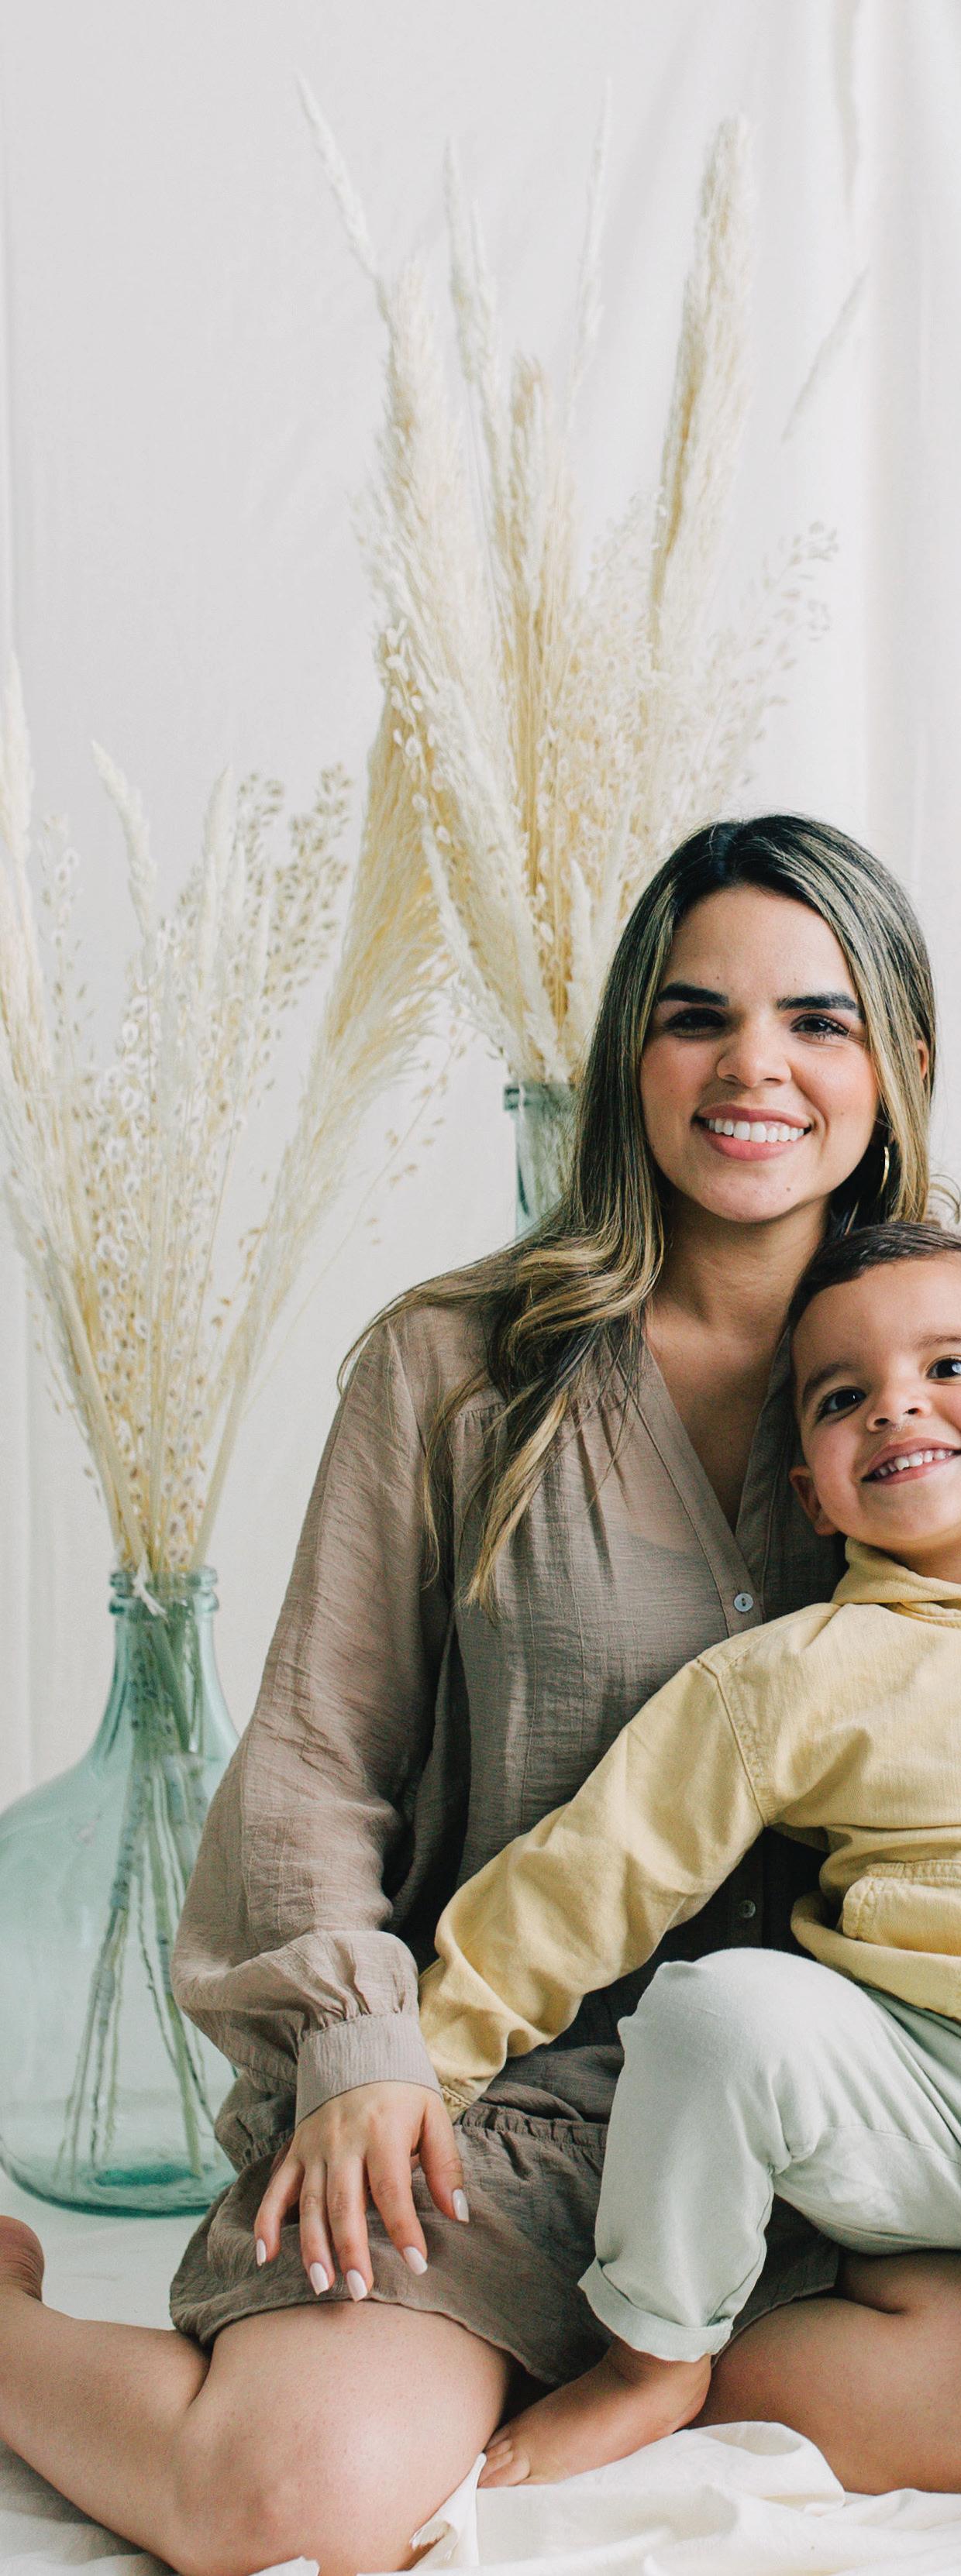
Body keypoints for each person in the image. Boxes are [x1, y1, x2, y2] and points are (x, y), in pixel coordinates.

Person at [0, 817, 949, 2576]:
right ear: (627, 1060)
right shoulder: (454, 1369)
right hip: (503, 2110)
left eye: (816, 1019)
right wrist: (366, 2054)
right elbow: (311, 1765)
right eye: (695, 1016)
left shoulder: (941, 1370)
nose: (754, 1065)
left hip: (850, 2130)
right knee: (282, 2501)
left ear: (896, 1060)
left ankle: (629, 2359)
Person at [418, 1220, 961, 2490]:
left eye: (949, 1366)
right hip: (918, 2098)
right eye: (844, 1397)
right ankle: (651, 2358)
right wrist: (421, 2066)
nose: (898, 1405)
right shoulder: (795, 1676)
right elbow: (594, 1871)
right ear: (812, 1494)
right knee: (719, 2014)